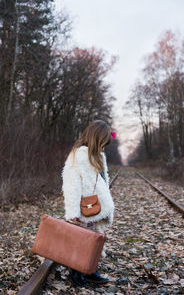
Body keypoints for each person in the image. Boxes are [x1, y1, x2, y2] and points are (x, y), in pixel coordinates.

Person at [62, 120, 115, 287]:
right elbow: (71, 185)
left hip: (95, 208)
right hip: (84, 208)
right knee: (80, 242)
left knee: (92, 241)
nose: (104, 148)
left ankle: (90, 270)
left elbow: (103, 181)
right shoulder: (78, 156)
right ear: (95, 140)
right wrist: (73, 212)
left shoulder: (98, 157)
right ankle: (76, 273)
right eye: (103, 144)